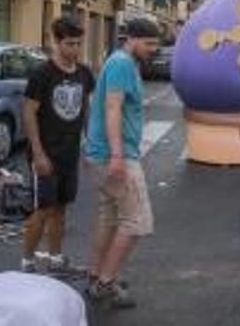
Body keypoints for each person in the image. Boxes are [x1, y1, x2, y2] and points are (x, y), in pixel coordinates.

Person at [85, 18, 159, 309]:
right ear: (133, 39)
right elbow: (112, 108)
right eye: (150, 43)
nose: (153, 50)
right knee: (137, 222)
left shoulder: (123, 62)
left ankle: (97, 275)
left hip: (104, 153)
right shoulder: (121, 64)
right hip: (116, 156)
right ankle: (105, 283)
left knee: (110, 217)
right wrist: (116, 155)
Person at [21, 17, 95, 274]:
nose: (75, 49)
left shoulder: (84, 73)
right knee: (43, 209)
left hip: (69, 152)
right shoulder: (42, 74)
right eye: (69, 44)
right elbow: (29, 113)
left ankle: (55, 259)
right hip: (45, 153)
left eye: (78, 44)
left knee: (61, 208)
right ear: (56, 42)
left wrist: (90, 147)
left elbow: (86, 109)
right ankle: (27, 263)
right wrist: (38, 154)